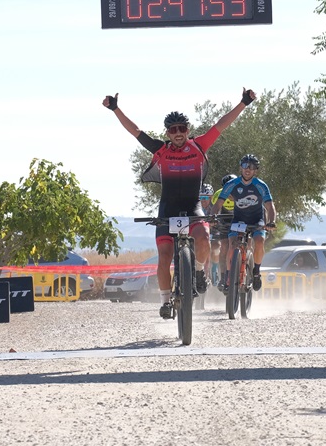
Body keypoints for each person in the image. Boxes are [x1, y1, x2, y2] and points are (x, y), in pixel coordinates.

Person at [104, 88, 256, 320]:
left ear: (188, 130)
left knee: (203, 240)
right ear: (167, 132)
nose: (178, 133)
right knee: (164, 257)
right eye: (173, 130)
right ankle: (166, 300)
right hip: (168, 210)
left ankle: (196, 273)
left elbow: (221, 125)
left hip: (193, 207)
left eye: (182, 129)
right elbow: (136, 131)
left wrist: (243, 103)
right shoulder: (161, 150)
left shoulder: (199, 146)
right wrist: (115, 109)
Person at [210, 154, 277, 292]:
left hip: (256, 219)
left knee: (259, 241)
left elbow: (270, 207)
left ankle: (256, 272)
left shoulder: (261, 185)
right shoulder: (231, 185)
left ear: (255, 170)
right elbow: (218, 204)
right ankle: (229, 276)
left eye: (252, 167)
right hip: (239, 219)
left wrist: (271, 222)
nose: (248, 169)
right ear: (241, 167)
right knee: (232, 244)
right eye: (245, 165)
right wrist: (212, 217)